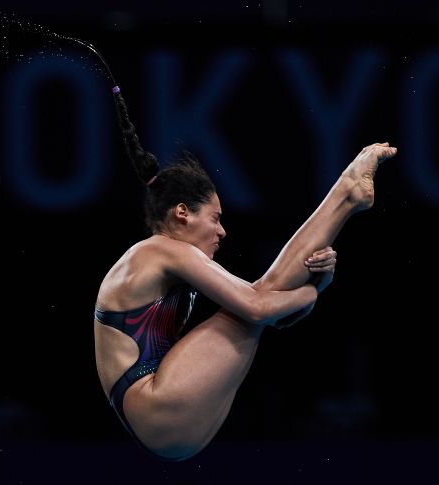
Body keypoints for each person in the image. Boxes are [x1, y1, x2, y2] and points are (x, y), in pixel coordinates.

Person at [93, 86, 397, 461]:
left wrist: (318, 284)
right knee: (253, 304)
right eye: (215, 218)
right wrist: (313, 293)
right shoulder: (161, 250)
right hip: (158, 408)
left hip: (161, 420)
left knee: (258, 302)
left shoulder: (158, 257)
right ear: (182, 212)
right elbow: (258, 307)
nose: (222, 231)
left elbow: (274, 314)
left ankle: (347, 195)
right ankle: (346, 193)